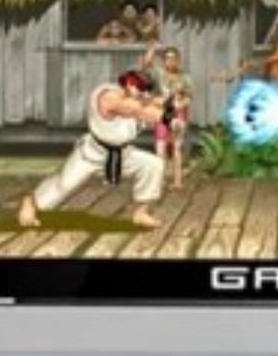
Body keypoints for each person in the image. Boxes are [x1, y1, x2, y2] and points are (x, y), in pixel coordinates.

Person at [18, 69, 168, 229]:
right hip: (92, 154)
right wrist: (162, 107)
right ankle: (30, 203)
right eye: (141, 89)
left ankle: (141, 213)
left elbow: (151, 107)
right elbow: (134, 109)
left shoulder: (138, 99)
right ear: (129, 83)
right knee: (64, 185)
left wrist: (168, 104)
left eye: (145, 91)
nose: (143, 94)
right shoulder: (107, 96)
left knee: (152, 164)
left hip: (122, 154)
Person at [145, 42, 193, 191]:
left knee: (177, 148)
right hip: (162, 114)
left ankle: (178, 181)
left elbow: (189, 98)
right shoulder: (160, 74)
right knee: (160, 148)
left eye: (173, 58)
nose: (171, 61)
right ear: (164, 60)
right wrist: (152, 49)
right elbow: (147, 64)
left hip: (178, 115)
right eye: (167, 58)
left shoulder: (185, 78)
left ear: (178, 60)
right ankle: (160, 180)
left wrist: (181, 105)